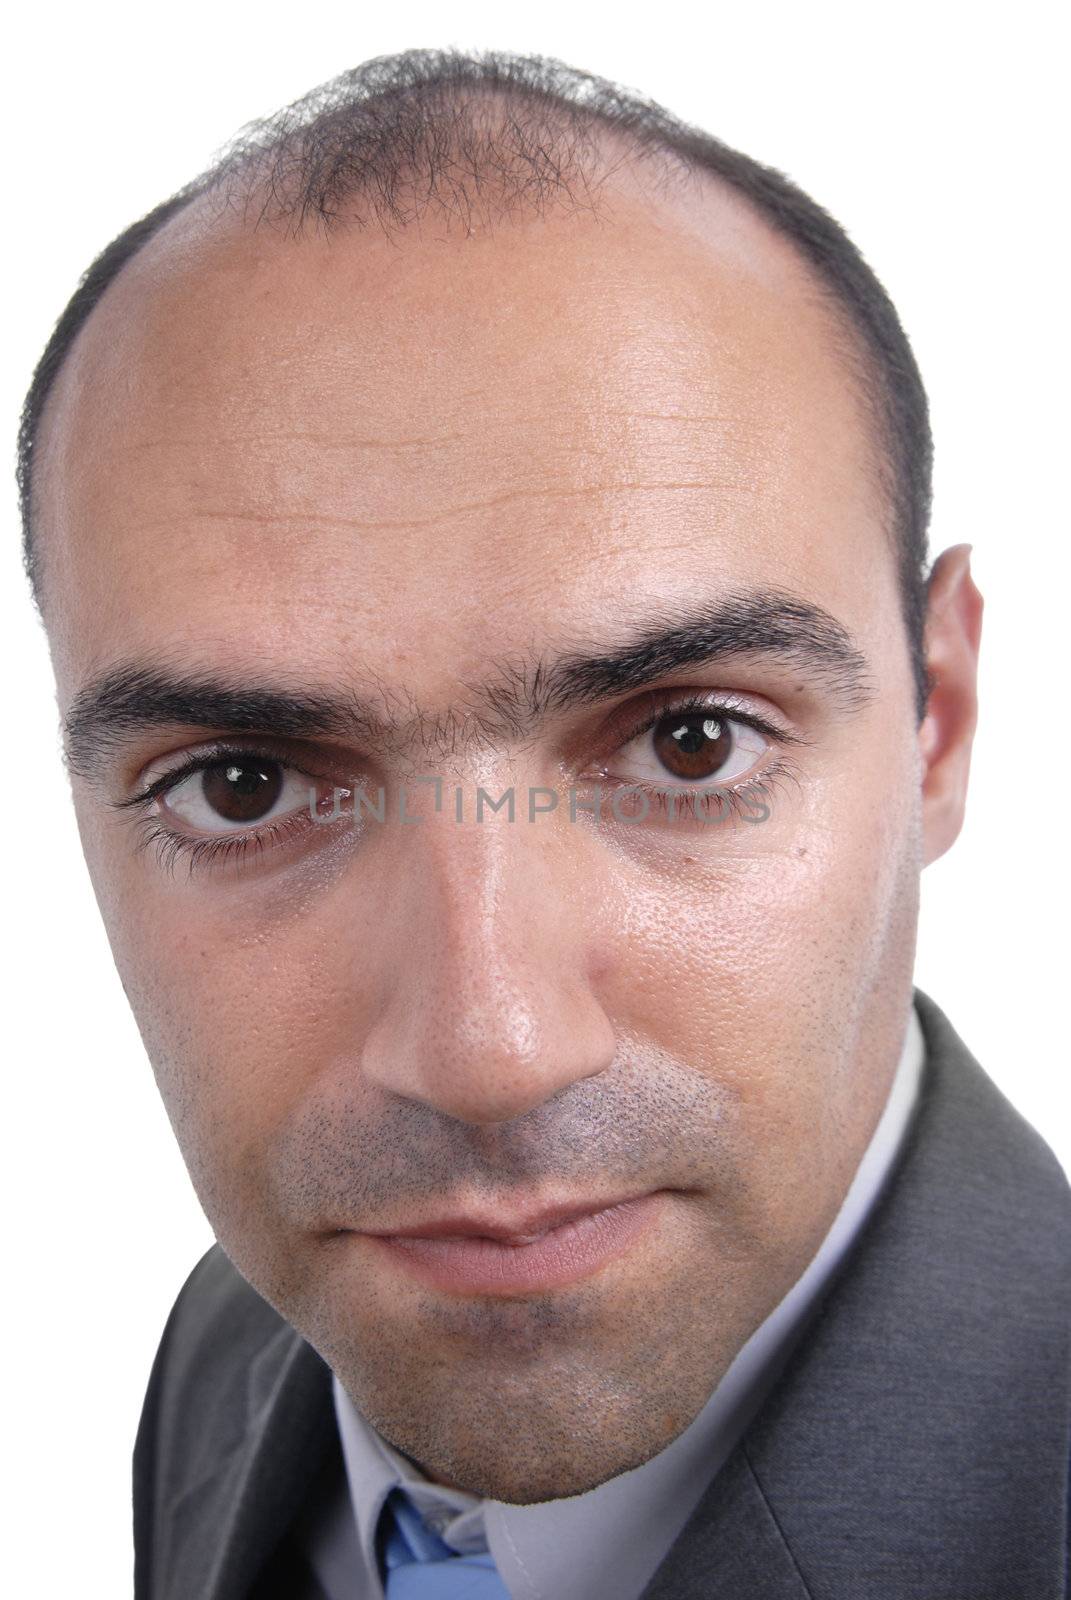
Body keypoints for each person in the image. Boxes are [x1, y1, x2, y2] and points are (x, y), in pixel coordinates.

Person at [18, 45, 1069, 1600]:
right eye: (243, 783)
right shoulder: (235, 1346)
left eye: (692, 744)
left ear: (939, 726)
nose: (490, 1048)